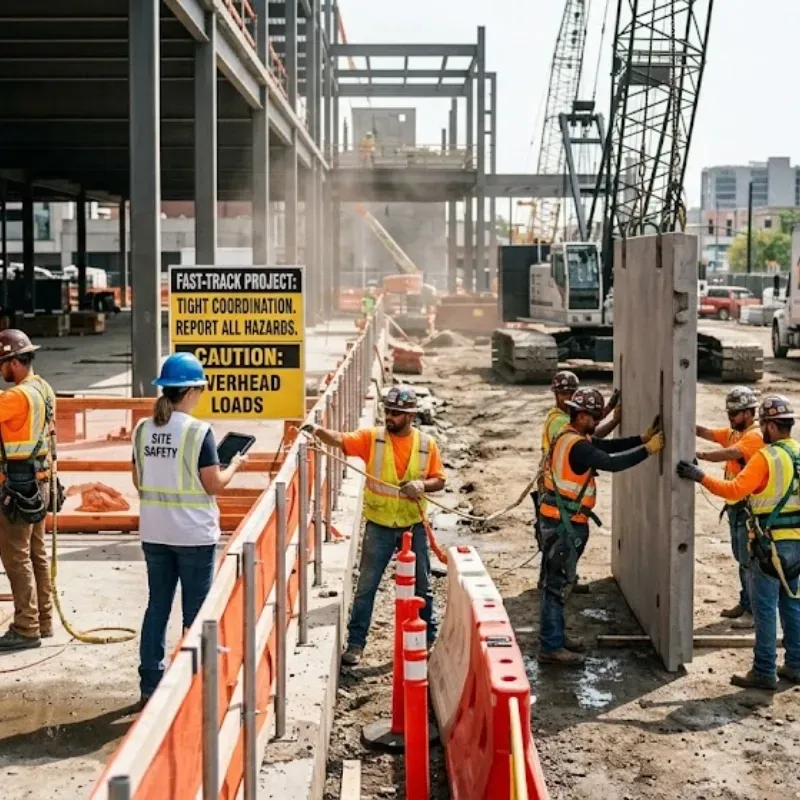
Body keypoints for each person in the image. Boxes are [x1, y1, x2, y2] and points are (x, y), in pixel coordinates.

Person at [132, 352, 247, 706]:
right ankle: (196, 682)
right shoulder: (199, 432)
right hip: (193, 536)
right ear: (194, 390)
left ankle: (150, 681)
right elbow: (213, 484)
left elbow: (139, 481)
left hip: (154, 533)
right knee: (197, 614)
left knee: (157, 607)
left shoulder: (142, 428)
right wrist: (236, 465)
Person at [302, 385, 446, 666]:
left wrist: (422, 484)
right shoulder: (373, 439)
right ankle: (356, 644)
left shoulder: (427, 445)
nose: (389, 417)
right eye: (388, 411)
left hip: (412, 526)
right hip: (379, 525)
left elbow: (440, 480)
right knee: (367, 586)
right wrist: (315, 430)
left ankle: (428, 638)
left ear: (410, 415)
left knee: (423, 586)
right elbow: (341, 440)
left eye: (396, 413)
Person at [678, 394, 800, 691]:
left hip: (769, 545)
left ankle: (763, 670)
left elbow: (734, 491)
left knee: (765, 608)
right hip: (796, 545)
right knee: (792, 605)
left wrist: (699, 476)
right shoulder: (798, 453)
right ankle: (796, 664)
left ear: (770, 426)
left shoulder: (766, 457)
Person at [537, 387, 664, 666]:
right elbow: (610, 463)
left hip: (557, 520)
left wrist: (641, 439)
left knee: (556, 583)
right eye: (593, 417)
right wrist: (648, 450)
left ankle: (555, 637)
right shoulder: (578, 446)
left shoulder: (569, 436)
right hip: (564, 525)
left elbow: (605, 447)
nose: (596, 421)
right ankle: (550, 646)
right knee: (556, 586)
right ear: (581, 415)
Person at [0, 330, 57, 652]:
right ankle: (43, 619)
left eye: (2, 364)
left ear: (13, 362)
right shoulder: (43, 389)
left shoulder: (16, 397)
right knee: (36, 554)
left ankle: (25, 627)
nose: (0, 371)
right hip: (41, 482)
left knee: (16, 556)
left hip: (19, 487)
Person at [695, 386, 763, 628]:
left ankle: (753, 612)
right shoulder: (735, 431)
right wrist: (681, 423)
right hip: (736, 508)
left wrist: (699, 457)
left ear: (748, 412)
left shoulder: (754, 436)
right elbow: (709, 433)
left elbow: (730, 453)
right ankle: (745, 603)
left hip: (748, 509)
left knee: (749, 561)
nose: (730, 418)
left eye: (734, 413)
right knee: (741, 559)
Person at [541, 371, 621, 455]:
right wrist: (614, 421)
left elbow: (589, 419)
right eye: (564, 394)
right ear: (556, 395)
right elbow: (592, 435)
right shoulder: (559, 420)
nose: (569, 397)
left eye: (572, 393)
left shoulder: (564, 413)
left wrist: (609, 406)